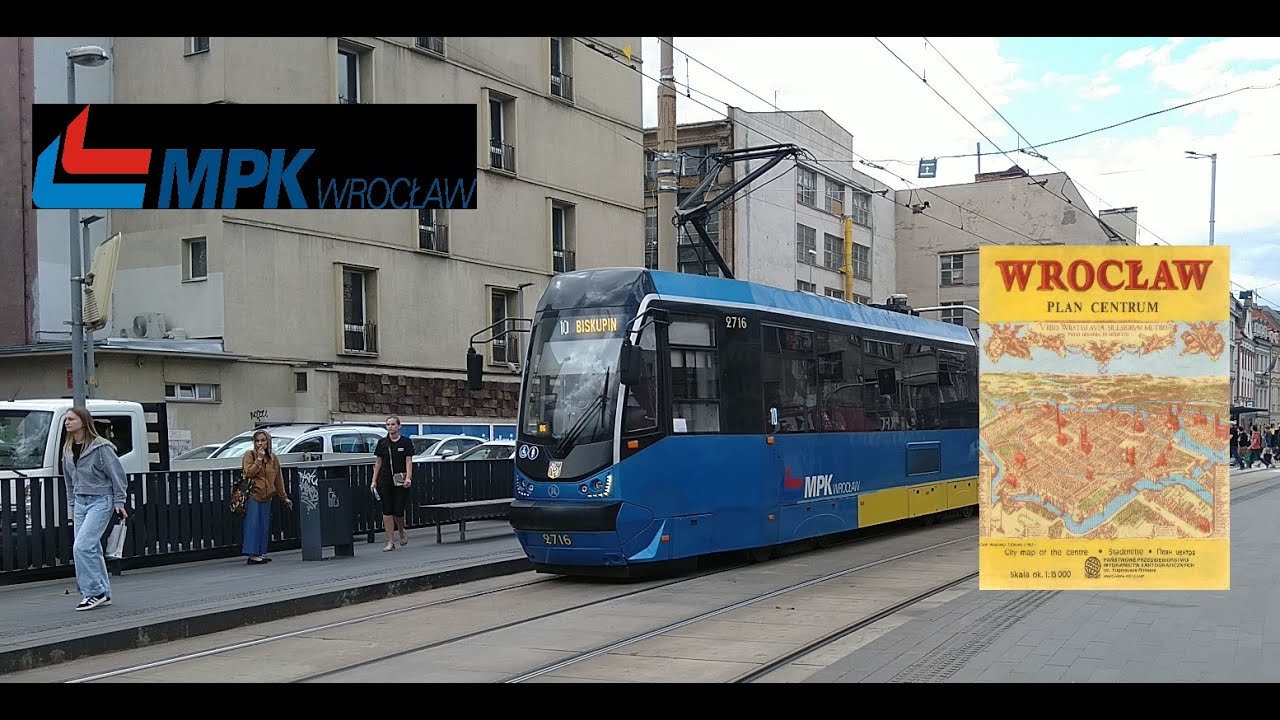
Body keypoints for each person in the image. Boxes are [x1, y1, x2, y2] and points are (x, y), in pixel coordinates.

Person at [62, 406, 128, 611]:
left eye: (71, 419)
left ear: (83, 421)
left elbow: (117, 475)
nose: (67, 422)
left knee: (82, 546)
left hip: (101, 500)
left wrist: (119, 502)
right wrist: (72, 504)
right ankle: (103, 593)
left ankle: (94, 592)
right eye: (66, 419)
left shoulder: (101, 448)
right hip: (80, 502)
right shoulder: (67, 448)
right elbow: (69, 480)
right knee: (91, 548)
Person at [241, 429, 292, 564]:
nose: (260, 444)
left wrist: (284, 497)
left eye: (263, 440)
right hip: (254, 494)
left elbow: (278, 479)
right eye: (257, 441)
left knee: (264, 525)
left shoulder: (273, 458)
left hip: (268, 495)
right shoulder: (249, 455)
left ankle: (261, 552)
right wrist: (258, 459)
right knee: (253, 525)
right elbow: (249, 473)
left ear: (268, 442)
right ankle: (252, 554)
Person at [371, 416, 414, 551]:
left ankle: (401, 530)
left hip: (400, 479)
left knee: (398, 509)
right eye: (388, 424)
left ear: (399, 426)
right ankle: (390, 541)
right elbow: (378, 462)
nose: (390, 427)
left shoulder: (406, 442)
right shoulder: (382, 443)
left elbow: (409, 460)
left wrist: (409, 477)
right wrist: (374, 480)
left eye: (393, 424)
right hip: (385, 479)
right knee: (387, 510)